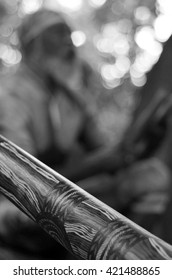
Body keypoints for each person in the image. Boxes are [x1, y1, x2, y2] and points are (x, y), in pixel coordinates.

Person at [0, 8, 106, 259]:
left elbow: (103, 148)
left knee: (148, 182)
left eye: (70, 34)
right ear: (34, 44)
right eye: (58, 33)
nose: (68, 42)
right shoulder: (10, 94)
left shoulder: (69, 95)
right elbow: (22, 183)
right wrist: (102, 163)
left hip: (60, 197)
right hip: (12, 206)